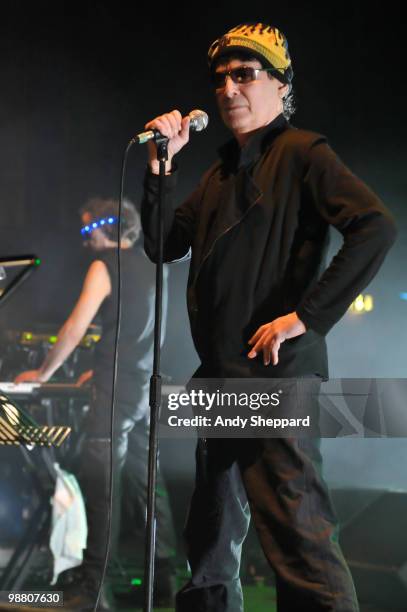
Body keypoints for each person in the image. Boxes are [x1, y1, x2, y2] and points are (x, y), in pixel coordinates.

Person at [140, 22, 397, 612]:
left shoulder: (303, 152)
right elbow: (161, 244)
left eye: (245, 75)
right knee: (207, 547)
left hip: (274, 376)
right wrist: (161, 169)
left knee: (298, 544)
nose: (229, 88)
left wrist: (305, 317)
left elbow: (374, 227)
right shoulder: (217, 174)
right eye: (221, 79)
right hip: (220, 375)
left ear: (281, 85)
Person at [15, 198, 177, 611]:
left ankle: (91, 589)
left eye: (88, 232)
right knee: (147, 488)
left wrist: (46, 373)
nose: (86, 241)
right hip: (147, 389)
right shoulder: (155, 265)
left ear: (105, 230)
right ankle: (163, 583)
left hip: (116, 393)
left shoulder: (105, 264)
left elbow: (74, 328)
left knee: (102, 487)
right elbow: (144, 332)